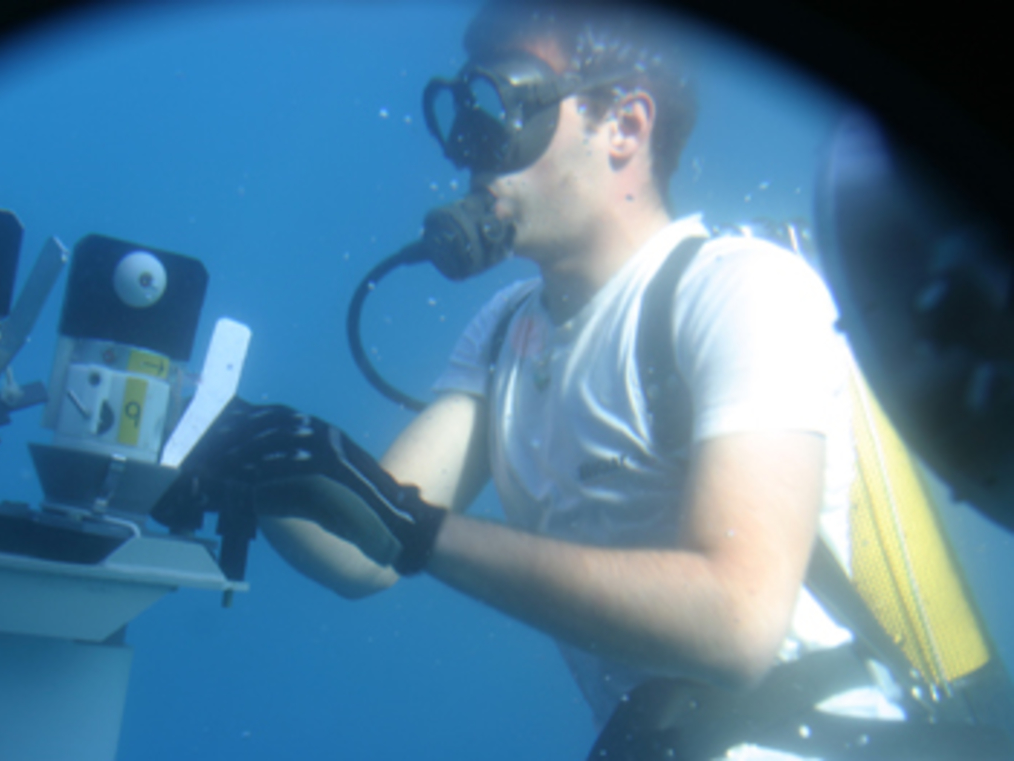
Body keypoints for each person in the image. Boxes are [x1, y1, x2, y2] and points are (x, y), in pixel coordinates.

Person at [183, 4, 913, 758]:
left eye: (506, 105)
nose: (476, 150)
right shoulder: (505, 330)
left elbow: (739, 624)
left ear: (625, 126)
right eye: (464, 113)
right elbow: (366, 548)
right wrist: (232, 447)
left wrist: (414, 529)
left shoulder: (743, 290)